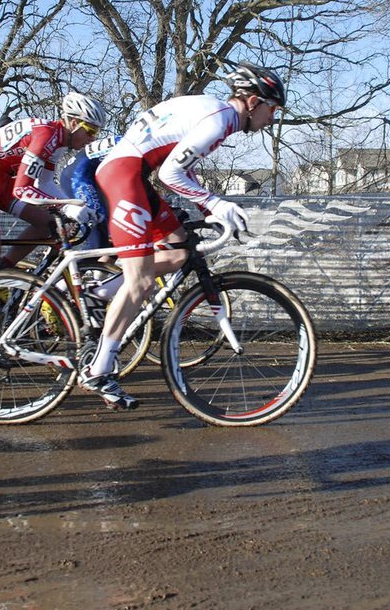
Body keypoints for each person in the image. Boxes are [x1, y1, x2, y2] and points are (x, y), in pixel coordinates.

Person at [86, 62, 285, 409]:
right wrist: (216, 204)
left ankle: (101, 292)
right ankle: (99, 368)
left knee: (178, 251)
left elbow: (182, 167)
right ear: (253, 102)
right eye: (273, 109)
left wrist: (210, 210)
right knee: (140, 281)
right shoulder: (220, 119)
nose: (273, 119)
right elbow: (170, 173)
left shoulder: (218, 115)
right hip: (126, 174)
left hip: (135, 174)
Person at [0, 91, 104, 285]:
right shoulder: (47, 135)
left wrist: (80, 205)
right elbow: (22, 190)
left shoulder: (58, 141)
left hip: (0, 180)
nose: (93, 138)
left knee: (47, 224)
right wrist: (67, 207)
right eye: (91, 131)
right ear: (74, 124)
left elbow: (45, 184)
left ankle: (3, 273)